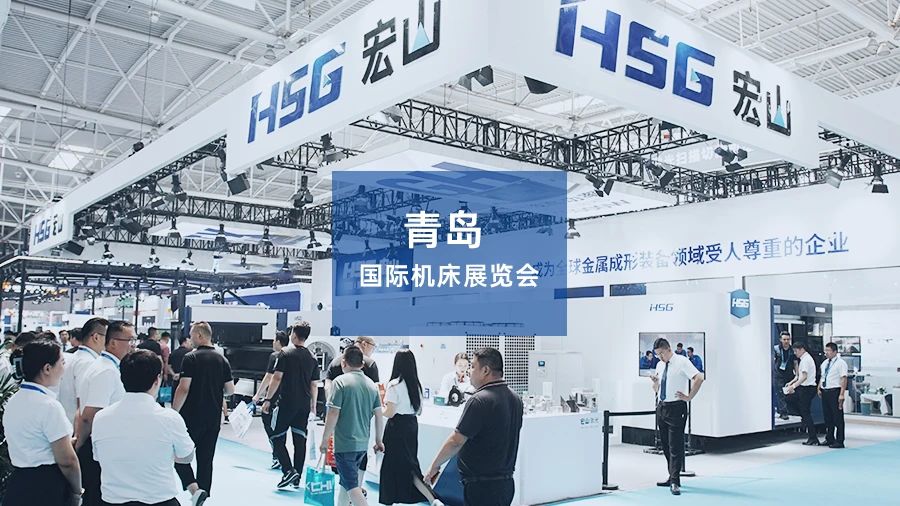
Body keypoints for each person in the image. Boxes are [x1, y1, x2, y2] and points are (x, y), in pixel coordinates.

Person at [92, 349, 208, 506]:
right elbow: (186, 456)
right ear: (157, 380)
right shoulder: (170, 418)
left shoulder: (100, 418)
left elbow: (98, 457)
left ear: (122, 378)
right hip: (159, 500)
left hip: (112, 501)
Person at [425, 348, 523, 506]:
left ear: (485, 370)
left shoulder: (479, 400)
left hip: (481, 487)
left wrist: (433, 467)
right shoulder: (516, 399)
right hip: (506, 484)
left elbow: (456, 441)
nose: (469, 371)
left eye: (472, 366)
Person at [2, 339, 82, 506]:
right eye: (62, 362)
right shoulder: (49, 406)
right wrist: (76, 492)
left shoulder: (13, 401)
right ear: (47, 369)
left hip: (18, 483)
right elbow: (67, 461)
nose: (64, 368)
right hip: (46, 486)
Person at [76, 321, 134, 506]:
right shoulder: (106, 371)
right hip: (99, 448)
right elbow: (90, 415)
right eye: (129, 340)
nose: (132, 345)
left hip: (101, 446)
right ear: (113, 342)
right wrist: (80, 444)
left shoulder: (107, 367)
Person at [173, 322, 234, 497]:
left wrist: (174, 411)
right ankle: (203, 494)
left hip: (191, 416)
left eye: (192, 334)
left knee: (180, 456)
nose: (190, 338)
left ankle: (193, 488)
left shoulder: (190, 358)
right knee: (206, 460)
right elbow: (230, 390)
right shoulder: (222, 360)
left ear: (199, 335)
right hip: (213, 418)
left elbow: (184, 388)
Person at [319, 346, 384, 506]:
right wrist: (378, 440)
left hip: (345, 443)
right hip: (362, 444)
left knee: (352, 487)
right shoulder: (371, 385)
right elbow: (379, 415)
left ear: (343, 362)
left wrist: (325, 439)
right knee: (345, 485)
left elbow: (333, 413)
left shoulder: (340, 382)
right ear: (362, 364)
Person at [261, 323, 320, 488]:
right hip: (304, 404)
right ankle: (297, 477)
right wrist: (313, 406)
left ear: (293, 334)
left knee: (276, 436)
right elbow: (314, 384)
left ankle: (288, 470)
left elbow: (277, 378)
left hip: (286, 403)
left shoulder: (285, 354)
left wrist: (268, 399)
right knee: (299, 440)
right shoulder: (312, 357)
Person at [380, 349, 439, 506]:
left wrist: (379, 408)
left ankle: (389, 499)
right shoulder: (417, 385)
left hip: (396, 427)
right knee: (410, 464)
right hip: (411, 426)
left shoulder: (394, 385)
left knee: (390, 465)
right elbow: (419, 411)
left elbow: (390, 413)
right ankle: (432, 499)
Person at [650, 338, 704, 496]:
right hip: (662, 406)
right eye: (657, 354)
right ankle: (672, 475)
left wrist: (689, 397)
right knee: (665, 445)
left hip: (676, 408)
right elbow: (656, 389)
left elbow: (699, 377)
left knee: (675, 445)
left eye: (661, 353)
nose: (660, 357)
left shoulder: (682, 361)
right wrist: (655, 383)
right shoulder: (660, 365)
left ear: (668, 349)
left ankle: (675, 480)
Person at [59, 318, 108, 426]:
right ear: (96, 337)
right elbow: (82, 404)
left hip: (68, 423)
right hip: (77, 427)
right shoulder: (89, 363)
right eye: (107, 337)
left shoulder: (74, 357)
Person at [252, 330, 289, 470]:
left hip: (274, 398)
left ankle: (278, 456)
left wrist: (259, 395)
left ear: (278, 342)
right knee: (281, 428)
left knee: (270, 425)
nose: (273, 343)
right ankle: (280, 456)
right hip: (287, 398)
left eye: (274, 340)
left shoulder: (275, 356)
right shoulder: (291, 356)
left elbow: (269, 377)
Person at [784, 342, 819, 446]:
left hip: (807, 388)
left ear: (802, 349)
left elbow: (804, 377)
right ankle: (811, 435)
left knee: (805, 412)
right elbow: (798, 376)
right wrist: (791, 383)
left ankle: (813, 437)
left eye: (796, 351)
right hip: (805, 388)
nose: (795, 353)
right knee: (802, 410)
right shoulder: (804, 359)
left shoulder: (806, 360)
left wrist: (793, 386)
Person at [819, 342, 848, 449]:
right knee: (828, 417)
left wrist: (842, 394)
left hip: (835, 391)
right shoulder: (824, 363)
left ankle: (840, 441)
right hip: (825, 391)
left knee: (837, 417)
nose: (826, 353)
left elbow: (843, 378)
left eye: (828, 350)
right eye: (825, 350)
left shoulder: (841, 363)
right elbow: (823, 376)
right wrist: (819, 387)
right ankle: (829, 438)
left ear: (835, 352)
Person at [773, 331, 795, 420]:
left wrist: (797, 374)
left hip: (789, 374)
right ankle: (783, 412)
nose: (786, 341)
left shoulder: (792, 350)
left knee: (788, 393)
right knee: (780, 393)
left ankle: (787, 410)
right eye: (784, 339)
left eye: (788, 339)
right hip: (778, 374)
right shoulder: (776, 349)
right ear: (780, 340)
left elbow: (795, 362)